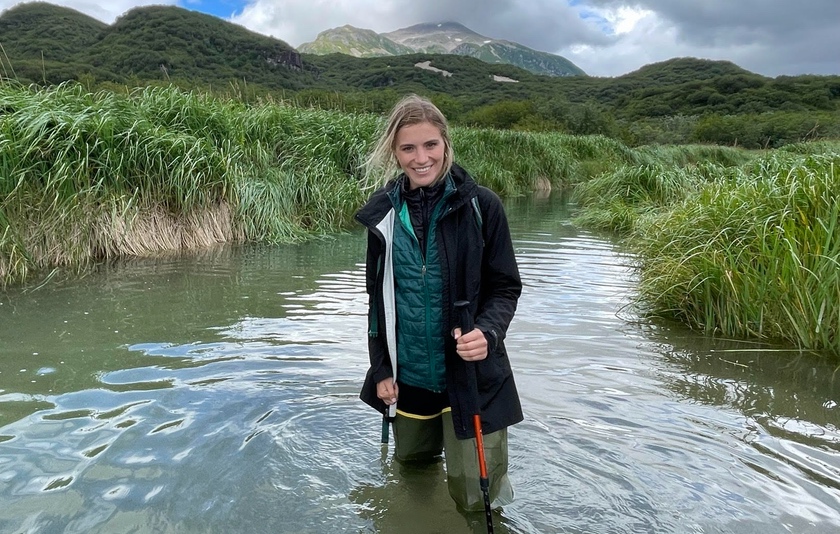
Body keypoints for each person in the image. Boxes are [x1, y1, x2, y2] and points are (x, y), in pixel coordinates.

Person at [354, 94, 523, 512]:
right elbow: (377, 305)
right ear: (394, 152)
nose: (421, 157)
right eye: (408, 148)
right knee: (411, 477)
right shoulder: (382, 217)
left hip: (471, 378)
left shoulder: (483, 206)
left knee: (477, 499)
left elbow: (506, 287)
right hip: (407, 380)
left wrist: (489, 332)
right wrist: (380, 369)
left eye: (430, 145)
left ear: (446, 144)